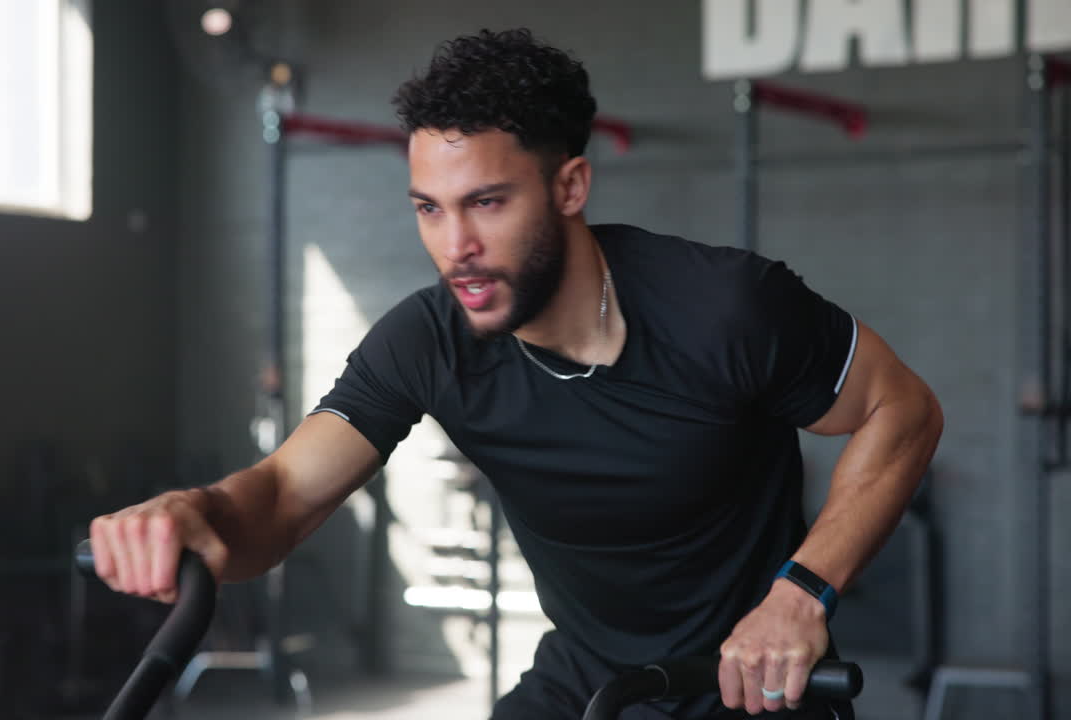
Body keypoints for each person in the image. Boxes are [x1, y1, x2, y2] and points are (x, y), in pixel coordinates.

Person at [88, 28, 943, 720]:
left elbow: (902, 411)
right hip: (585, 684)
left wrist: (802, 595)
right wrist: (195, 513)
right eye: (430, 208)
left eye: (486, 203)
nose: (453, 246)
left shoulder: (723, 308)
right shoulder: (430, 340)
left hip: (746, 686)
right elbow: (282, 496)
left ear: (570, 186)